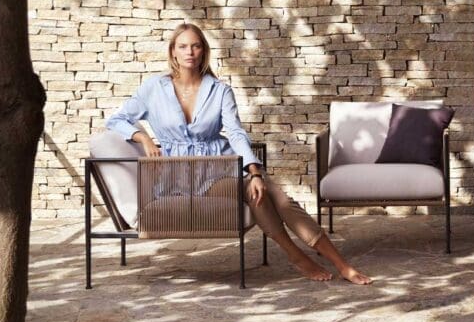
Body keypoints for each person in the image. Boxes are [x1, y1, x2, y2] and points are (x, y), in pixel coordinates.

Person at [106, 23, 372, 285]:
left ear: (204, 51)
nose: (190, 52)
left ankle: (338, 264)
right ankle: (304, 258)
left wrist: (254, 172)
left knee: (273, 196)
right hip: (178, 179)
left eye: (196, 46)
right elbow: (117, 120)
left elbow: (235, 134)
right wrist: (142, 137)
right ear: (173, 51)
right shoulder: (153, 88)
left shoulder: (220, 90)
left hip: (219, 169)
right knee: (264, 195)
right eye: (183, 46)